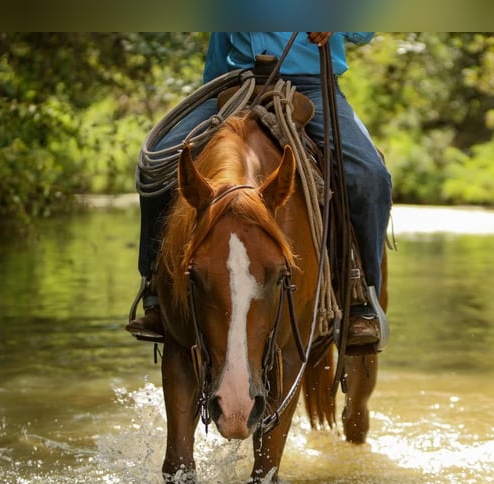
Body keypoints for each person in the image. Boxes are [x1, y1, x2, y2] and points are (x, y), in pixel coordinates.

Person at [126, 32, 392, 349]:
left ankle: (361, 296)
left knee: (368, 176)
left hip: (313, 86)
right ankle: (156, 291)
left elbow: (363, 33)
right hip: (231, 85)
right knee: (155, 168)